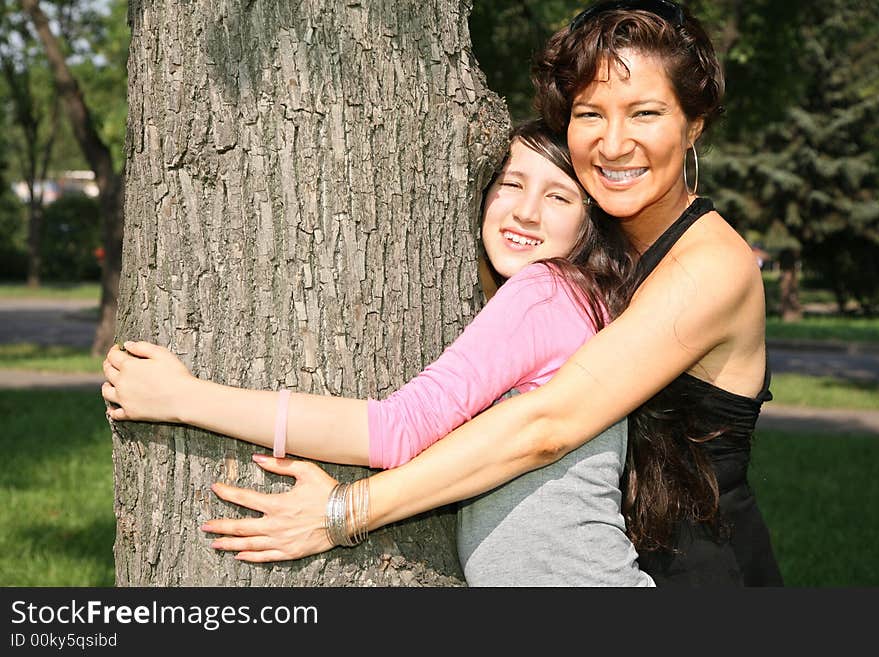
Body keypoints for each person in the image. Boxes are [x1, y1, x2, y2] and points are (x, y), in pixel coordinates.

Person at [192, 0, 783, 587]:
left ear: (693, 124)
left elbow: (547, 424)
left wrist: (345, 512)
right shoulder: (601, 256)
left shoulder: (711, 265)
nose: (613, 142)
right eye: (589, 114)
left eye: (645, 113)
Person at [103, 119, 654, 586]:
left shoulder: (547, 292)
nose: (526, 212)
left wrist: (184, 398)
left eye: (558, 196)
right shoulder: (582, 304)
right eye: (511, 183)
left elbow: (397, 431)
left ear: (590, 220)